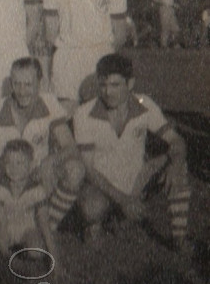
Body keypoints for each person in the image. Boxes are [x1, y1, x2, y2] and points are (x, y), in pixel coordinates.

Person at [73, 54, 191, 251]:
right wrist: (124, 201)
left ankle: (179, 239)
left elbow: (176, 140)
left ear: (130, 83)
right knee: (91, 209)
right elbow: (89, 170)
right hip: (102, 184)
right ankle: (98, 224)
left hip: (137, 179)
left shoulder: (145, 103)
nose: (108, 92)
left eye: (115, 85)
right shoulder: (84, 113)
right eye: (103, 85)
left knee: (178, 164)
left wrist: (176, 165)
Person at [0, 57, 85, 232]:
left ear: (40, 83)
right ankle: (8, 223)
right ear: (11, 84)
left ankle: (47, 226)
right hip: (4, 175)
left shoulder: (49, 103)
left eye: (28, 84)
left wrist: (51, 161)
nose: (22, 91)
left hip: (37, 174)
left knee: (75, 169)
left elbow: (70, 147)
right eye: (17, 84)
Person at [0, 139, 59, 264]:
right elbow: (2, 224)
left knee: (37, 251)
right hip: (5, 227)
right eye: (8, 163)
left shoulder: (37, 190)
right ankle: (6, 255)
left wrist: (56, 263)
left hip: (27, 228)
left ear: (31, 165)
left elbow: (45, 224)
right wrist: (7, 258)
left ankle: (23, 249)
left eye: (19, 163)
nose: (13, 168)